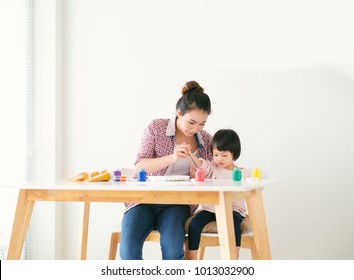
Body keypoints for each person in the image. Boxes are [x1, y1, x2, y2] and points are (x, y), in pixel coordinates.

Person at [119, 81, 214, 260]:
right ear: (179, 113)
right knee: (128, 251)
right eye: (191, 122)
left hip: (177, 204)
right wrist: (172, 158)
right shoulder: (157, 128)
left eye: (202, 124)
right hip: (143, 200)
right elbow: (140, 165)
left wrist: (199, 177)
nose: (195, 129)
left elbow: (212, 175)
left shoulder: (207, 141)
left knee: (172, 251)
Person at [185, 129, 251, 260]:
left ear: (234, 155)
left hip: (233, 210)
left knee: (233, 225)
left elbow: (251, 188)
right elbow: (200, 164)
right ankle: (191, 258)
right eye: (215, 154)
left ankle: (233, 257)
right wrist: (189, 155)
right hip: (210, 209)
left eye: (224, 155)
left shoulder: (242, 173)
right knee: (194, 224)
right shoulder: (212, 167)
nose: (219, 159)